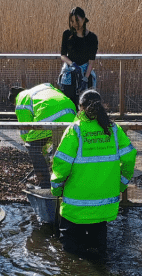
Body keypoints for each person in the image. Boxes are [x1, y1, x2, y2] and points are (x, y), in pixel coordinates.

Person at [50, 90, 136, 254]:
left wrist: (56, 188)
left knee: (72, 255)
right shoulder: (114, 130)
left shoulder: (75, 130)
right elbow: (130, 157)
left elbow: (61, 164)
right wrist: (122, 182)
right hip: (103, 206)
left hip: (75, 207)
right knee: (99, 251)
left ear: (80, 107)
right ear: (101, 106)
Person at [9, 84, 77, 188]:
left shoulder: (21, 100)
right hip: (71, 114)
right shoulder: (41, 89)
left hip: (49, 117)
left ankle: (45, 183)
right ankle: (67, 180)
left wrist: (41, 155)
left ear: (14, 101)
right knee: (63, 148)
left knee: (32, 146)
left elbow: (26, 131)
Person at [59, 6, 99, 104]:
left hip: (86, 72)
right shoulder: (67, 34)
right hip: (70, 71)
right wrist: (72, 65)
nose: (75, 24)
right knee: (69, 102)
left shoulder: (92, 37)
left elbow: (91, 61)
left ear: (84, 19)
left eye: (77, 20)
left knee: (87, 104)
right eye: (72, 21)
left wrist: (85, 78)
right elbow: (63, 55)